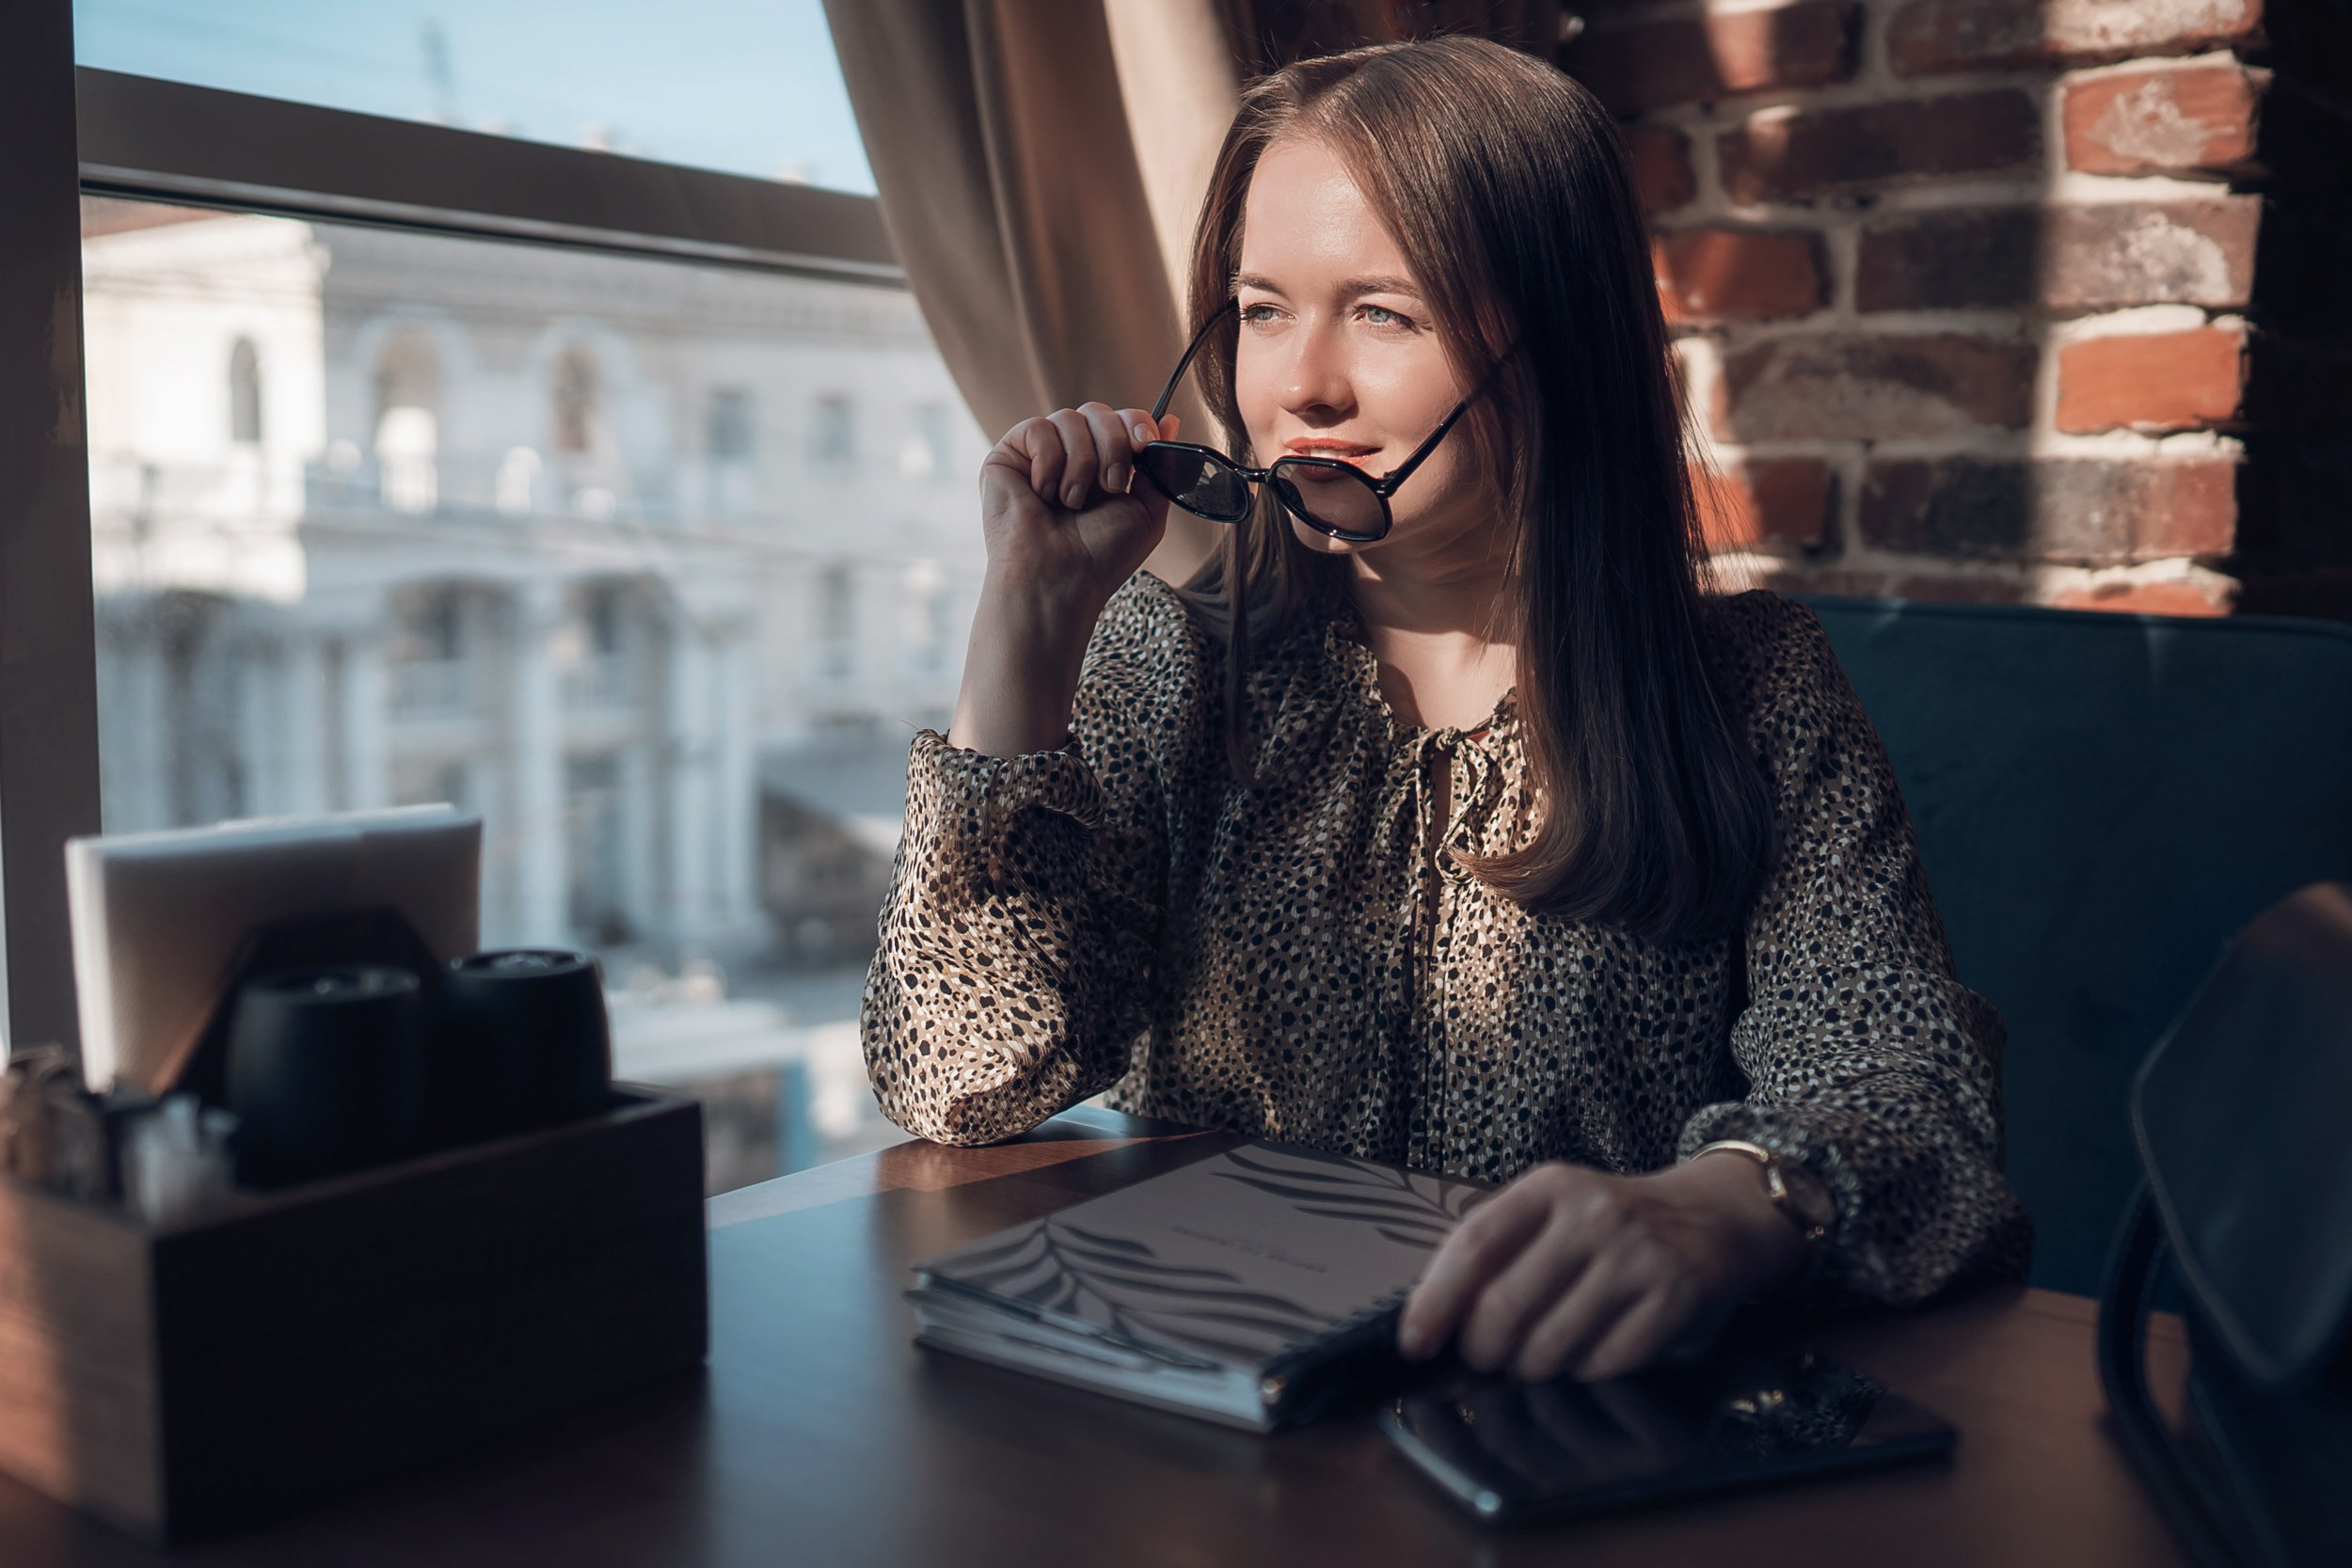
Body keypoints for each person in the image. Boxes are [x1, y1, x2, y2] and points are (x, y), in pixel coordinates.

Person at [862, 36, 2029, 1385]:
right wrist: (1026, 624)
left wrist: (1718, 1208)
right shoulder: (1170, 663)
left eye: (1383, 313)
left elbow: (1911, 1093)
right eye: (1258, 308)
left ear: (1561, 343)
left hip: (1563, 1420)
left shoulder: (1750, 690)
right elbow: (953, 1076)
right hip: (1213, 1427)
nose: (1301, 385)